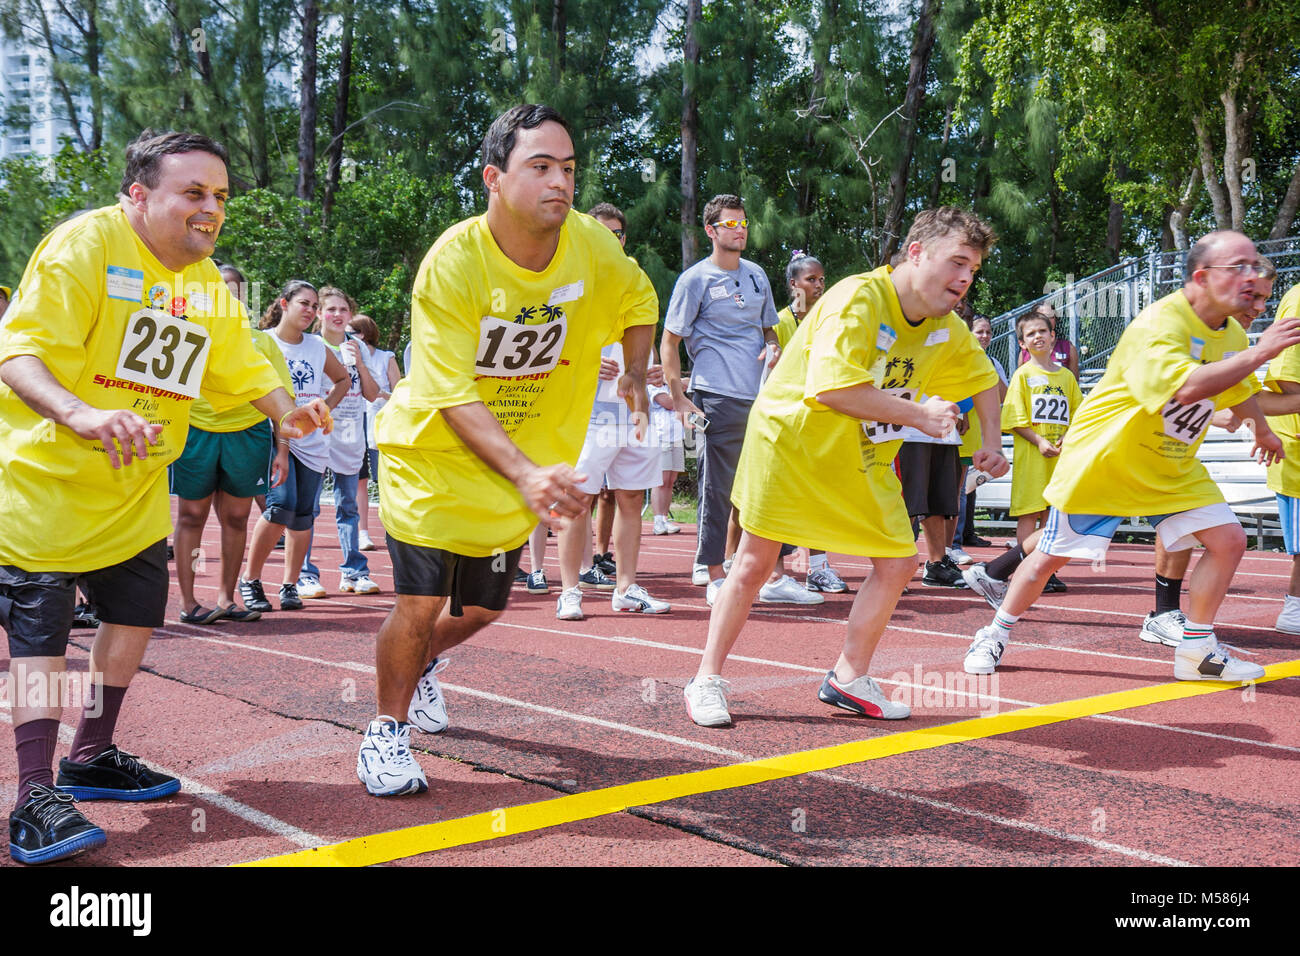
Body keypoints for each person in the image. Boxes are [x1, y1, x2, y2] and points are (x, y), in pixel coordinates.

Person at [0, 130, 329, 864]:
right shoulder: (84, 248)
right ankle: (31, 797)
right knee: (41, 643)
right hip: (47, 483)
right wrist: (82, 414)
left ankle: (89, 755)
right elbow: (20, 351)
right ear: (140, 195)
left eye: (220, 197)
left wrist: (285, 409)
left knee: (131, 617)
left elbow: (236, 358)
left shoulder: (205, 281)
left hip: (136, 486)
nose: (211, 210)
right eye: (194, 193)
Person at [357, 104, 658, 796]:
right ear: (494, 177)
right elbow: (453, 394)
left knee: (486, 608)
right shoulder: (453, 264)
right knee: (420, 604)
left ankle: (417, 666)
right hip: (430, 457)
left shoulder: (591, 245)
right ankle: (385, 732)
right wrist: (525, 472)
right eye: (541, 167)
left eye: (570, 168)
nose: (561, 182)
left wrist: (637, 372)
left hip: (520, 467)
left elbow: (639, 299)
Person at [682, 207, 1008, 727]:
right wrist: (918, 414)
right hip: (793, 447)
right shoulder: (859, 299)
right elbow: (832, 388)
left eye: (973, 270)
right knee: (753, 564)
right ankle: (706, 679)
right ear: (917, 252)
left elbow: (983, 379)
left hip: (861, 457)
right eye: (957, 262)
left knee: (900, 563)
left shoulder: (946, 326)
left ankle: (848, 678)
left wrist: (991, 439)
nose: (965, 278)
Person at [962, 232, 1300, 682]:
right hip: (1109, 462)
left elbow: (1238, 388)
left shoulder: (1233, 331)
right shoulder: (1160, 324)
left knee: (1230, 540)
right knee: (1049, 556)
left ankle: (1197, 651)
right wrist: (1263, 351)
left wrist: (1260, 426)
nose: (1251, 275)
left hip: (1171, 464)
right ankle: (995, 632)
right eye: (1238, 266)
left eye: (1254, 265)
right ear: (1201, 276)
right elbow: (1188, 386)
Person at [1138, 261, 1277, 643]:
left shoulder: (1232, 339)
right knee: (1062, 541)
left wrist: (1257, 426)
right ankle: (997, 589)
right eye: (1252, 296)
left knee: (1220, 535)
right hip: (1129, 452)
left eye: (1264, 298)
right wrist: (1224, 413)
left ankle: (1186, 632)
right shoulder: (1176, 324)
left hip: (1171, 456)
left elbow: (1248, 396)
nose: (1258, 308)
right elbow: (1175, 388)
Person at [660, 194, 782, 601]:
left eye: (743, 222)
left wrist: (774, 346)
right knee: (718, 487)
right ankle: (713, 573)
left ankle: (765, 573)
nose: (740, 229)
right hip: (713, 396)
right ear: (711, 231)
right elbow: (670, 340)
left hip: (759, 397)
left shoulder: (757, 274)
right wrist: (679, 400)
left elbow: (769, 330)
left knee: (762, 486)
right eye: (730, 224)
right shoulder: (694, 279)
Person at [554, 203, 671, 620]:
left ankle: (626, 587)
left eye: (618, 234)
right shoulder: (568, 281)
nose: (613, 241)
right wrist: (583, 365)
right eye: (603, 233)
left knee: (630, 498)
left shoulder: (635, 280)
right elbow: (549, 347)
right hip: (588, 414)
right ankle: (569, 590)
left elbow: (643, 337)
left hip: (633, 412)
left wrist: (650, 373)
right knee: (576, 499)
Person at [169, 263, 297, 624]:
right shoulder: (186, 332)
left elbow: (281, 399)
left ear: (243, 296)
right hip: (197, 431)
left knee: (237, 517)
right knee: (192, 515)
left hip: (248, 434)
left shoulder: (262, 342)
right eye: (218, 288)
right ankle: (189, 601)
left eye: (233, 289)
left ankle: (227, 599)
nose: (226, 295)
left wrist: (282, 452)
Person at [239, 282, 349, 611]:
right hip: (275, 435)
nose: (310, 310)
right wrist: (282, 440)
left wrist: (323, 408)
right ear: (284, 304)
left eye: (315, 306)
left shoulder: (316, 346)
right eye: (303, 303)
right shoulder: (266, 342)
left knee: (302, 515)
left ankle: (290, 584)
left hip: (310, 440)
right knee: (279, 507)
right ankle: (251, 579)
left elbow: (343, 380)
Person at [770, 251, 849, 594]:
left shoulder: (828, 319)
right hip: (786, 421)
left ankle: (818, 567)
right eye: (810, 279)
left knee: (818, 497)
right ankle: (775, 573)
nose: (818, 285)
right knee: (781, 498)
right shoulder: (779, 322)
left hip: (820, 421)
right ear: (793, 284)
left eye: (821, 279)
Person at [297, 286, 381, 597]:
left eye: (343, 310)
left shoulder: (356, 346)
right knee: (309, 508)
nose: (336, 315)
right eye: (330, 309)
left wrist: (359, 361)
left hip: (350, 434)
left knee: (349, 506)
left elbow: (372, 394)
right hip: (315, 435)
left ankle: (354, 572)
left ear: (350, 315)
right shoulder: (309, 345)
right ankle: (305, 574)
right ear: (319, 313)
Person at [1000, 309, 1083, 592]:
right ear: (1022, 343)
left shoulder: (1067, 378)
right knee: (1030, 512)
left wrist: (1067, 439)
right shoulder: (1022, 376)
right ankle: (1024, 568)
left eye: (1042, 331)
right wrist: (1038, 440)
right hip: (1033, 457)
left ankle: (1046, 569)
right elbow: (1013, 419)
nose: (1037, 337)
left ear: (1052, 336)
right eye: (1030, 334)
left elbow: (1078, 414)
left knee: (1052, 514)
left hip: (1060, 457)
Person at [349, 313, 401, 552]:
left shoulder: (385, 357)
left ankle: (396, 531)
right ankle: (362, 532)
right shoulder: (343, 356)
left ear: (362, 333)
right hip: (354, 423)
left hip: (382, 425)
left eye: (351, 331)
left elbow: (399, 393)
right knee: (360, 480)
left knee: (386, 482)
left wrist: (379, 395)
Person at [957, 313, 1007, 549]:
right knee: (957, 487)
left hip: (981, 431)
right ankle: (952, 543)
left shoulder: (993, 363)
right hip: (962, 428)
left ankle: (967, 533)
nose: (985, 336)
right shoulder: (961, 357)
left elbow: (1004, 395)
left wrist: (990, 372)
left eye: (988, 332)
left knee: (970, 486)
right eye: (980, 331)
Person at [1017, 303, 1079, 379]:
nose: (1047, 319)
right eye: (1042, 316)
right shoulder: (1024, 353)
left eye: (1051, 316)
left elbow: (1074, 381)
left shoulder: (1068, 348)